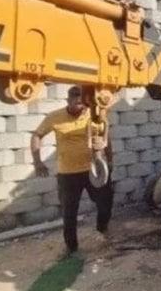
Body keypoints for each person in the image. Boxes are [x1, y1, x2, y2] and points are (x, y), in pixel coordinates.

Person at [31, 86, 114, 255]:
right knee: (69, 212)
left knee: (106, 200)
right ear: (68, 100)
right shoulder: (55, 117)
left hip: (92, 170)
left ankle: (102, 229)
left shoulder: (94, 115)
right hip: (67, 174)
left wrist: (110, 159)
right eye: (75, 99)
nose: (79, 104)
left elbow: (106, 136)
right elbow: (37, 135)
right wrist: (37, 162)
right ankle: (71, 247)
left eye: (82, 101)